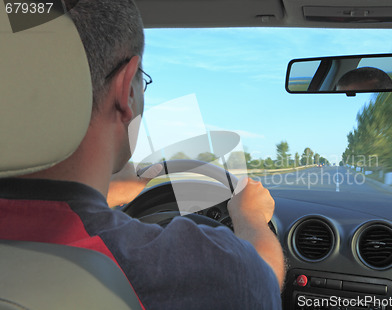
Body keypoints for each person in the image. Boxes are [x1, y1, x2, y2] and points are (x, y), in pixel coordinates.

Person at [0, 0, 284, 309]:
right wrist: (251, 219)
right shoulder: (199, 271)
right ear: (128, 92)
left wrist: (121, 187)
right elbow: (262, 280)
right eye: (142, 83)